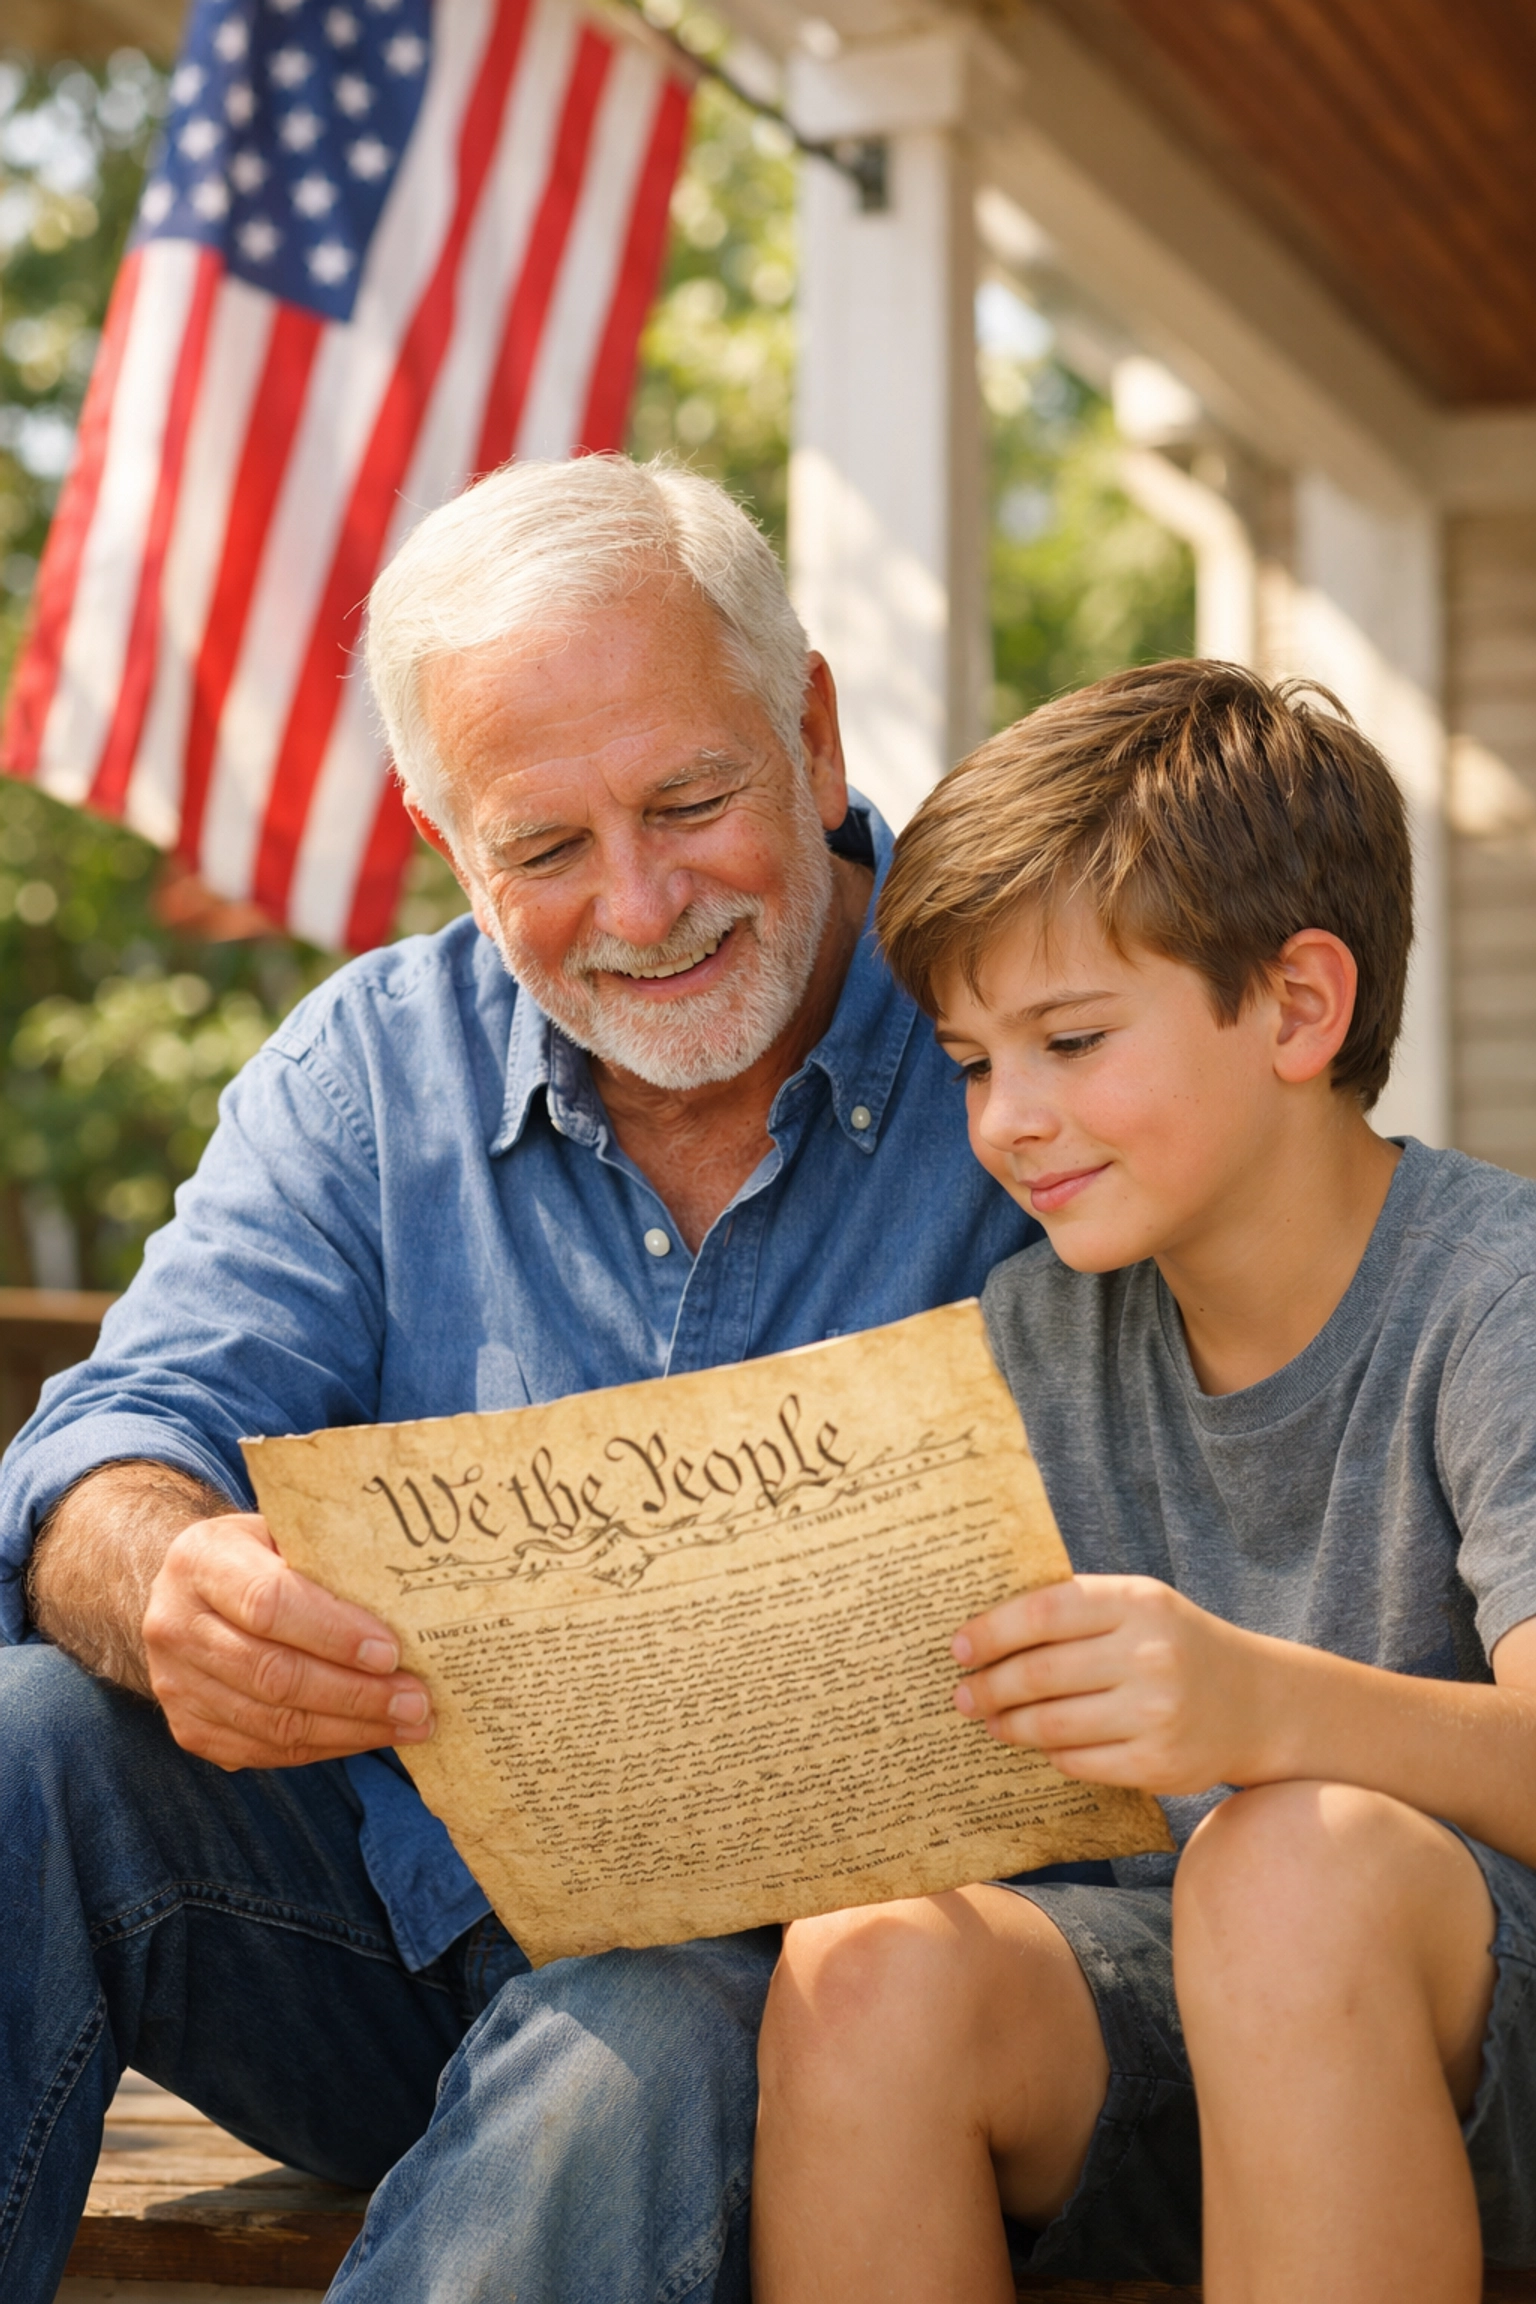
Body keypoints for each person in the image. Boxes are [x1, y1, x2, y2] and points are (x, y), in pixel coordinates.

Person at [0, 455, 1036, 2304]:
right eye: (544, 852)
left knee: (638, 2039)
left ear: (807, 723)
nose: (639, 904)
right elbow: (106, 1443)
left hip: (841, 2002)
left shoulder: (1035, 1030)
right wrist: (166, 1582)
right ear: (444, 836)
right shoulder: (366, 1066)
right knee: (22, 1739)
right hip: (397, 1938)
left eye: (688, 801)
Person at [751, 660, 1536, 2304]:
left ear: (1299, 1010)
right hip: (1178, 2018)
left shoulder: (1496, 1297)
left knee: (1288, 1859)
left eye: (1072, 1040)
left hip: (1468, 2030)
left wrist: (1259, 1709)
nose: (1010, 1122)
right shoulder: (1034, 1334)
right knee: (869, 1967)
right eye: (972, 1063)